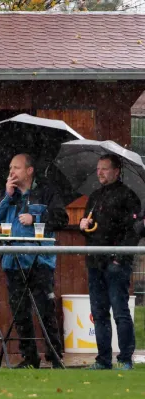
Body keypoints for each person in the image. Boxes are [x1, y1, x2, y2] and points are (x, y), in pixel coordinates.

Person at [0, 153, 68, 369]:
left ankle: (54, 356)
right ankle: (30, 357)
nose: (12, 172)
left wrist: (36, 218)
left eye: (17, 168)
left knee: (45, 310)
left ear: (29, 171)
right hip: (13, 262)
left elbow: (62, 218)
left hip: (40, 261)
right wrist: (6, 194)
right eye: (10, 167)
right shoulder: (9, 195)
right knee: (20, 312)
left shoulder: (46, 192)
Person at [80, 154, 140, 370]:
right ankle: (103, 360)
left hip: (117, 264)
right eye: (98, 169)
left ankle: (125, 358)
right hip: (95, 262)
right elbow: (89, 230)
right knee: (99, 313)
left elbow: (133, 233)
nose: (100, 173)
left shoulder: (128, 197)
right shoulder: (94, 197)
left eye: (105, 169)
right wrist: (83, 225)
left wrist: (118, 258)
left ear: (117, 171)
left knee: (120, 311)